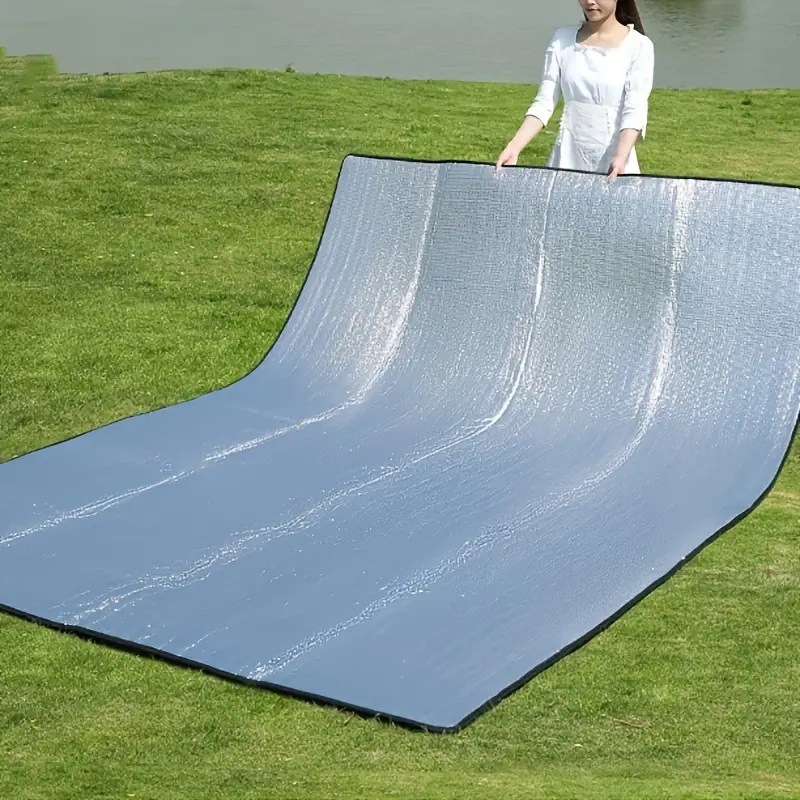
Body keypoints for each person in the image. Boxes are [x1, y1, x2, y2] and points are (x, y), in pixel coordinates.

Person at [496, 0, 655, 180]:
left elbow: (635, 110)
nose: (590, 2)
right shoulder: (562, 40)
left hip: (616, 164)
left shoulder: (639, 45)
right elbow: (544, 102)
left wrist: (620, 158)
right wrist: (514, 147)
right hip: (567, 158)